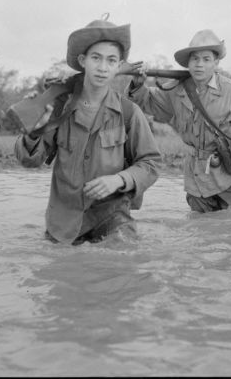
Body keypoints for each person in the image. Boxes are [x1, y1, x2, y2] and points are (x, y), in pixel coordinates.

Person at [14, 17, 161, 245]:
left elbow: (150, 163)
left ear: (118, 66)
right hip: (64, 221)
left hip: (112, 215)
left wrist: (118, 180)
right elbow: (28, 161)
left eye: (111, 60)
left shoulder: (129, 112)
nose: (103, 68)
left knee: (124, 255)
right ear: (83, 60)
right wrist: (34, 132)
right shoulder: (58, 107)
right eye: (96, 58)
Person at [127, 29, 231, 213]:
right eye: (195, 59)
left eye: (206, 59)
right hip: (197, 180)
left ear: (216, 63)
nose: (200, 65)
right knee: (200, 232)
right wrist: (137, 84)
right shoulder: (176, 90)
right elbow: (149, 102)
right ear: (188, 63)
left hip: (230, 176)